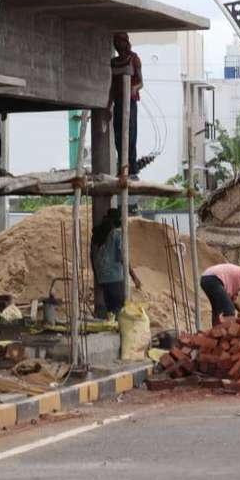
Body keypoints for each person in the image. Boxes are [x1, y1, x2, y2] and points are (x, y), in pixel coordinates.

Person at [90, 208, 141, 319]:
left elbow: (92, 257)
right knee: (120, 311)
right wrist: (134, 277)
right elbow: (123, 258)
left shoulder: (96, 236)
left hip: (103, 279)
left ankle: (112, 330)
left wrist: (97, 276)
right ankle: (120, 333)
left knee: (111, 311)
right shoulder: (117, 234)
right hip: (115, 278)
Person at [108, 32, 143, 179]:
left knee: (130, 134)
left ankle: (131, 168)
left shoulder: (133, 58)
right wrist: (108, 104)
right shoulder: (114, 62)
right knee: (118, 135)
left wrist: (133, 88)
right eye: (116, 42)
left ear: (126, 43)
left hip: (130, 102)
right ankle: (121, 165)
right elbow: (112, 85)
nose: (119, 45)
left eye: (121, 42)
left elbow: (141, 82)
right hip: (118, 102)